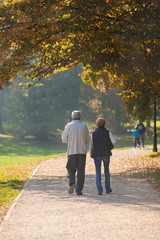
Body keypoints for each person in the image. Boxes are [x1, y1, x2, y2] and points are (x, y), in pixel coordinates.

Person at [62, 110, 89, 195]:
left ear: (72, 117)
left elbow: (63, 139)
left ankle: (72, 182)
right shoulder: (84, 126)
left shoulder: (68, 126)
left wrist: (69, 141)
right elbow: (88, 139)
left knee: (70, 168)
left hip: (71, 151)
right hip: (82, 152)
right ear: (80, 117)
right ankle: (79, 190)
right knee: (81, 171)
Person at [90, 118, 116, 195]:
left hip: (96, 154)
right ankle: (107, 188)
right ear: (104, 124)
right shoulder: (108, 132)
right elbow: (114, 141)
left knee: (98, 172)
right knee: (106, 171)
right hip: (106, 153)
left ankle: (99, 190)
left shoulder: (93, 134)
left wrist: (91, 153)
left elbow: (91, 144)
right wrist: (110, 147)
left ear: (97, 124)